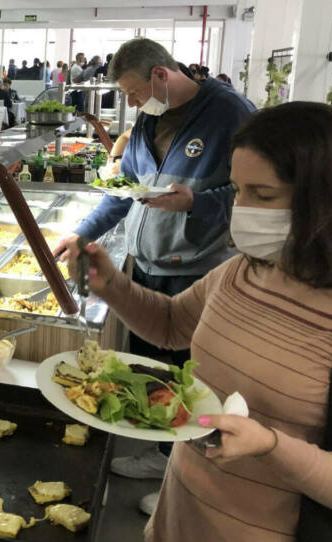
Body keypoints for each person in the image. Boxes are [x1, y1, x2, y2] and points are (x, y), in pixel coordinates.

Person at [63, 101, 332, 542]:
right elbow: (174, 326)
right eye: (238, 190)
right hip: (187, 533)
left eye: (263, 194)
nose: (241, 210)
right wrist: (110, 285)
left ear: (329, 198)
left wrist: (271, 446)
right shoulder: (244, 272)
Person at [55, 37, 256, 511]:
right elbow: (121, 190)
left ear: (160, 76)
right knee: (152, 367)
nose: (129, 103)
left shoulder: (230, 114)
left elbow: (251, 193)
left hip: (198, 270)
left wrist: (196, 203)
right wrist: (82, 234)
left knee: (190, 376)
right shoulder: (148, 119)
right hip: (147, 264)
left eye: (130, 92)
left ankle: (184, 472)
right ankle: (162, 451)